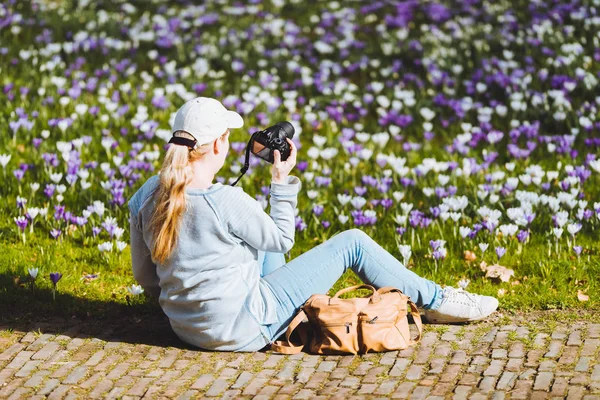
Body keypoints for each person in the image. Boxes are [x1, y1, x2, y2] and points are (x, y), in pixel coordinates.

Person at [128, 97, 499, 352]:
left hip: (186, 328)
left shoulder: (146, 195)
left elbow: (146, 277)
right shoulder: (226, 201)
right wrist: (281, 180)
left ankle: (426, 297)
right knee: (352, 241)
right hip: (243, 328)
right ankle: (436, 300)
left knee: (252, 247)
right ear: (217, 146)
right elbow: (282, 238)